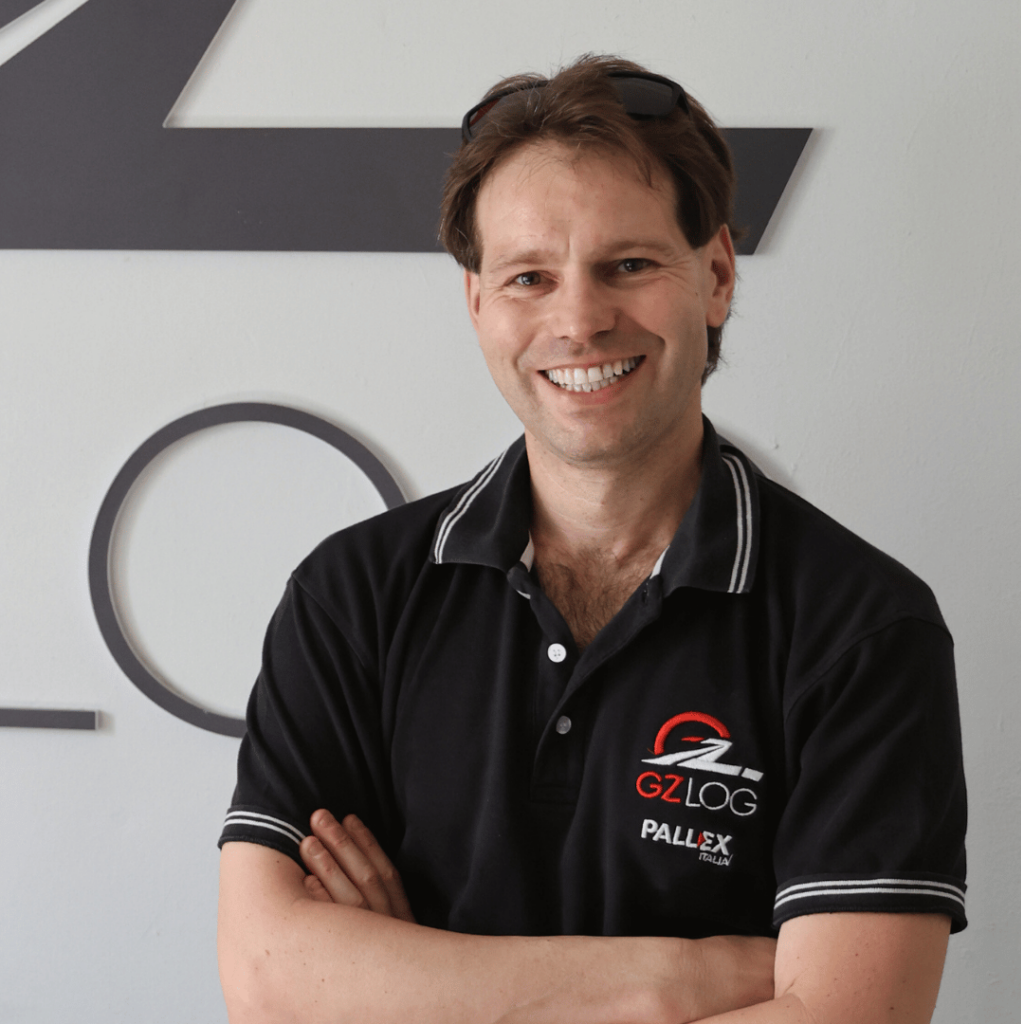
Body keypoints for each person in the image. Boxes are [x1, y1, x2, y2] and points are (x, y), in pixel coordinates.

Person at [216, 55, 967, 1023]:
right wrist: (674, 983)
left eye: (629, 266)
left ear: (716, 276)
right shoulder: (354, 596)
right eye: (530, 277)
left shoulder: (860, 629)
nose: (579, 320)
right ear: (478, 303)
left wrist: (408, 985)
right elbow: (268, 981)